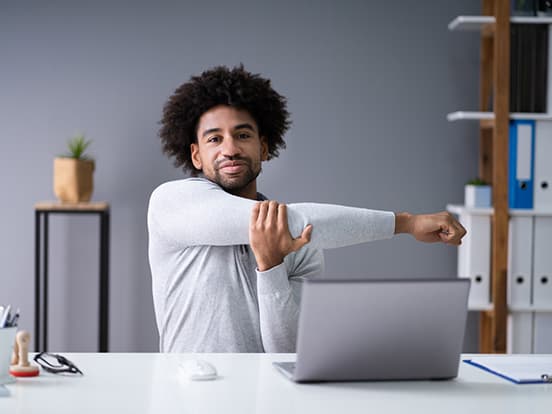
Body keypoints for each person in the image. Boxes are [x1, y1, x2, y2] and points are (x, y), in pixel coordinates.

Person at [148, 65, 466, 353]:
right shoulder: (172, 202)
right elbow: (293, 221)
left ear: (264, 147)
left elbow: (287, 351)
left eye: (242, 135)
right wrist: (406, 223)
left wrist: (271, 267)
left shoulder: (304, 245)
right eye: (214, 139)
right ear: (196, 156)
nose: (230, 149)